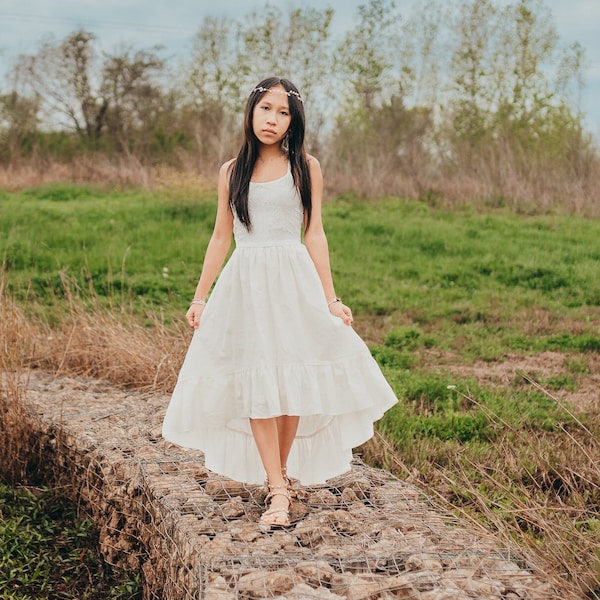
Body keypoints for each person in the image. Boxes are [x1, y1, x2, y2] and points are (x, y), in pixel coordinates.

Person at [162, 76, 398, 527]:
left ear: (294, 120)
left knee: (290, 382)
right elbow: (220, 236)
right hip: (245, 282)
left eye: (283, 112)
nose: (273, 120)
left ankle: (281, 476)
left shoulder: (305, 166)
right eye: (266, 109)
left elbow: (315, 233)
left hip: (294, 282)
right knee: (257, 381)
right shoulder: (230, 172)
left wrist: (331, 299)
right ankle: (276, 488)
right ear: (251, 111)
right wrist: (200, 297)